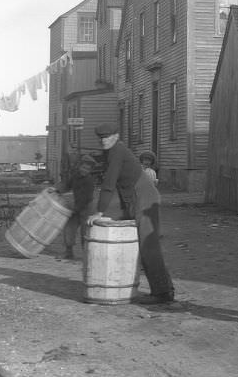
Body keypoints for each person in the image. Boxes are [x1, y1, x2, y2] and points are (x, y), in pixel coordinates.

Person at [87, 123, 174, 304]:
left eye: (108, 137)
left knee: (149, 245)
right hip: (133, 197)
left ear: (116, 136)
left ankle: (163, 293)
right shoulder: (111, 152)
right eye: (101, 138)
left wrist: (99, 211)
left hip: (144, 197)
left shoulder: (117, 151)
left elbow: (109, 183)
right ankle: (135, 284)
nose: (104, 141)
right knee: (138, 242)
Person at [55, 154, 97, 260]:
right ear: (79, 166)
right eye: (83, 167)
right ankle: (69, 253)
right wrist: (57, 190)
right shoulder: (75, 176)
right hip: (76, 206)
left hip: (86, 208)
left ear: (90, 171)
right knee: (69, 228)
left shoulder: (89, 181)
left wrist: (75, 210)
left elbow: (85, 198)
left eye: (88, 169)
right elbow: (67, 185)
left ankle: (87, 256)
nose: (84, 170)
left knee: (85, 233)